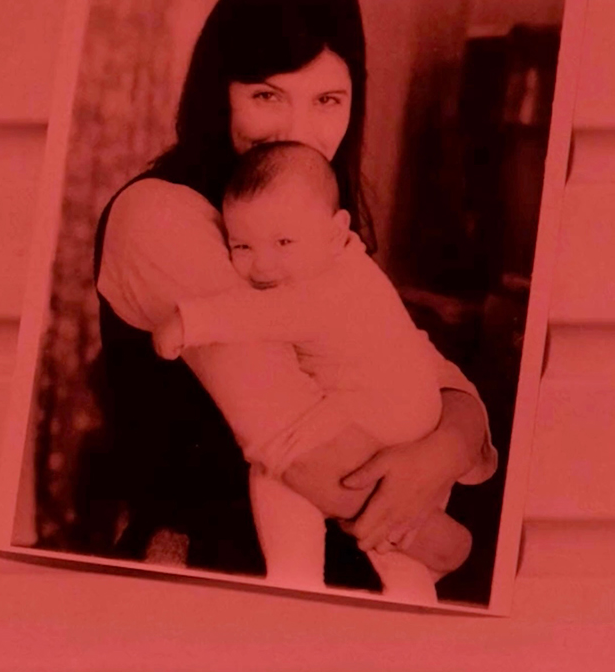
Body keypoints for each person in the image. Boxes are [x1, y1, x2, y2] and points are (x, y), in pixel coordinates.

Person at [90, 0, 498, 594]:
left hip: (351, 562)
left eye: (327, 100)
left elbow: (416, 363)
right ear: (218, 88)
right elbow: (295, 438)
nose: (299, 132)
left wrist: (443, 449)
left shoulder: (316, 221)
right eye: (265, 95)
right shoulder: (158, 214)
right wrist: (452, 544)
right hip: (211, 572)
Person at [152, 141, 473, 601]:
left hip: (382, 421)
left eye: (283, 242)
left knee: (276, 472)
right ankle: (415, 601)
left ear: (336, 229)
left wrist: (187, 322)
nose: (262, 265)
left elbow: (259, 313)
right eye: (241, 245)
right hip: (414, 421)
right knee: (396, 547)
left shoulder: (327, 291)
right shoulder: (346, 262)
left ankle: (294, 579)